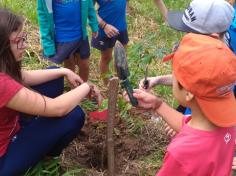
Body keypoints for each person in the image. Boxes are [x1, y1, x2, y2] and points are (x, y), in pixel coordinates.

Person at [0, 9, 102, 175]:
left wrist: (63, 71)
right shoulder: (2, 84)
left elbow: (25, 77)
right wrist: (86, 86)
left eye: (23, 38)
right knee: (73, 115)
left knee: (53, 77)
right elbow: (56, 108)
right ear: (2, 46)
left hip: (9, 124)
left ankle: (32, 132)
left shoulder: (4, 68)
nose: (24, 45)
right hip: (4, 160)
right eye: (18, 41)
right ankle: (45, 155)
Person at [125, 32, 236, 175]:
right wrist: (157, 105)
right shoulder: (227, 125)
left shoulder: (181, 153)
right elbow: (192, 129)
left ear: (188, 92)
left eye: (175, 77)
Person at [37, 0, 98, 82]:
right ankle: (74, 90)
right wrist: (47, 43)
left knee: (85, 65)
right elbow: (43, 17)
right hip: (62, 38)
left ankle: (83, 88)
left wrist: (94, 24)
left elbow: (89, 5)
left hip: (80, 34)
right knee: (69, 65)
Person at [91, 0, 128, 85]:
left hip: (121, 28)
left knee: (122, 58)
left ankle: (121, 84)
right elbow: (90, 10)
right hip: (105, 30)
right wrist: (104, 25)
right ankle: (107, 86)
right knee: (106, 58)